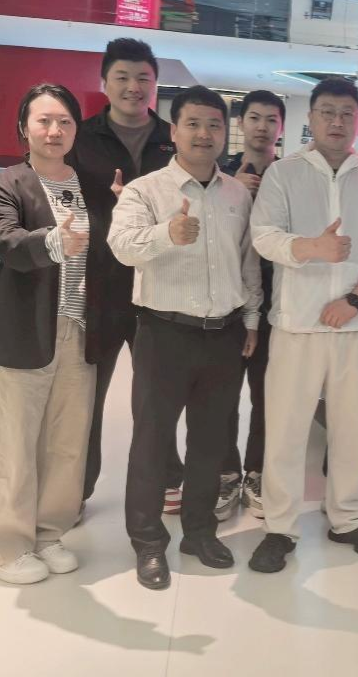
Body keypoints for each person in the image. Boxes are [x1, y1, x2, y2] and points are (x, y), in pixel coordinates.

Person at [248, 78, 358, 573]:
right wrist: (310, 248)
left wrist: (356, 300)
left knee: (353, 430)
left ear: (357, 122)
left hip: (355, 327)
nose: (336, 122)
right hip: (296, 324)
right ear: (311, 119)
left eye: (346, 114)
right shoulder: (284, 173)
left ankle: (347, 517)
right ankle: (279, 526)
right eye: (327, 112)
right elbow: (263, 236)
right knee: (286, 432)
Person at [108, 86, 262, 590]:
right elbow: (121, 246)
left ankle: (199, 532)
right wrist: (165, 235)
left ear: (225, 133)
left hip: (224, 334)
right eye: (193, 124)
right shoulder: (145, 190)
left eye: (214, 125)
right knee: (152, 443)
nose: (204, 134)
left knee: (211, 443)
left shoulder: (237, 194)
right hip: (164, 333)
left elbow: (248, 262)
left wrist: (252, 319)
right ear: (173, 131)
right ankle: (148, 542)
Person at [0, 85, 98, 585]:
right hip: (24, 329)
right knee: (11, 442)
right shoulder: (6, 184)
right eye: (44, 120)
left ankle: (49, 534)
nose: (54, 131)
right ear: (24, 128)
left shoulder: (91, 183)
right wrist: (53, 242)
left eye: (65, 121)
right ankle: (3, 549)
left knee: (66, 441)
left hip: (80, 331)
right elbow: (3, 240)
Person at [67, 37, 181, 516]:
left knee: (157, 395)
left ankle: (168, 478)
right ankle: (75, 489)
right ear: (104, 82)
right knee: (87, 394)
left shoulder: (174, 139)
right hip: (101, 286)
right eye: (123, 77)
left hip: (159, 285)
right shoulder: (81, 138)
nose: (134, 87)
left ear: (155, 83)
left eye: (143, 78)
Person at [213, 90, 285, 522]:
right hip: (226, 301)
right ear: (241, 123)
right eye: (254, 118)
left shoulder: (291, 176)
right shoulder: (219, 173)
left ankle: (257, 472)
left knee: (266, 393)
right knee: (222, 393)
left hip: (276, 302)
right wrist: (234, 191)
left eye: (271, 119)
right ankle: (226, 472)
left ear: (281, 127)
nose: (262, 127)